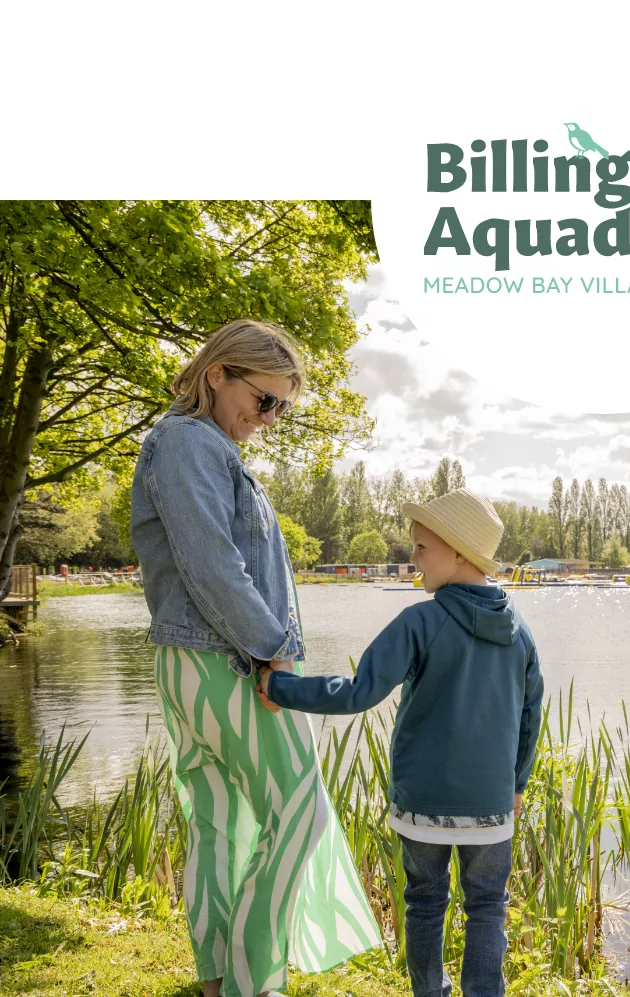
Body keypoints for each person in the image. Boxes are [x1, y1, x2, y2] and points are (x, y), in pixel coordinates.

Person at [130, 318, 382, 997]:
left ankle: (219, 979)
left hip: (200, 661)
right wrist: (275, 653)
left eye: (282, 408)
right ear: (218, 374)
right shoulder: (186, 444)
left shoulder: (199, 445)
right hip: (223, 661)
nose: (269, 418)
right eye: (263, 399)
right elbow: (215, 566)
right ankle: (251, 979)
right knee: (301, 809)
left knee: (221, 822)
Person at [259, 488, 545, 997]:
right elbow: (529, 716)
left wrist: (280, 686)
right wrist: (517, 784)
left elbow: (357, 691)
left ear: (457, 552)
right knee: (486, 907)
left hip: (425, 804)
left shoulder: (421, 621)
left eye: (420, 547)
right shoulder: (518, 630)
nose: (411, 558)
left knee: (426, 902)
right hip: (492, 807)